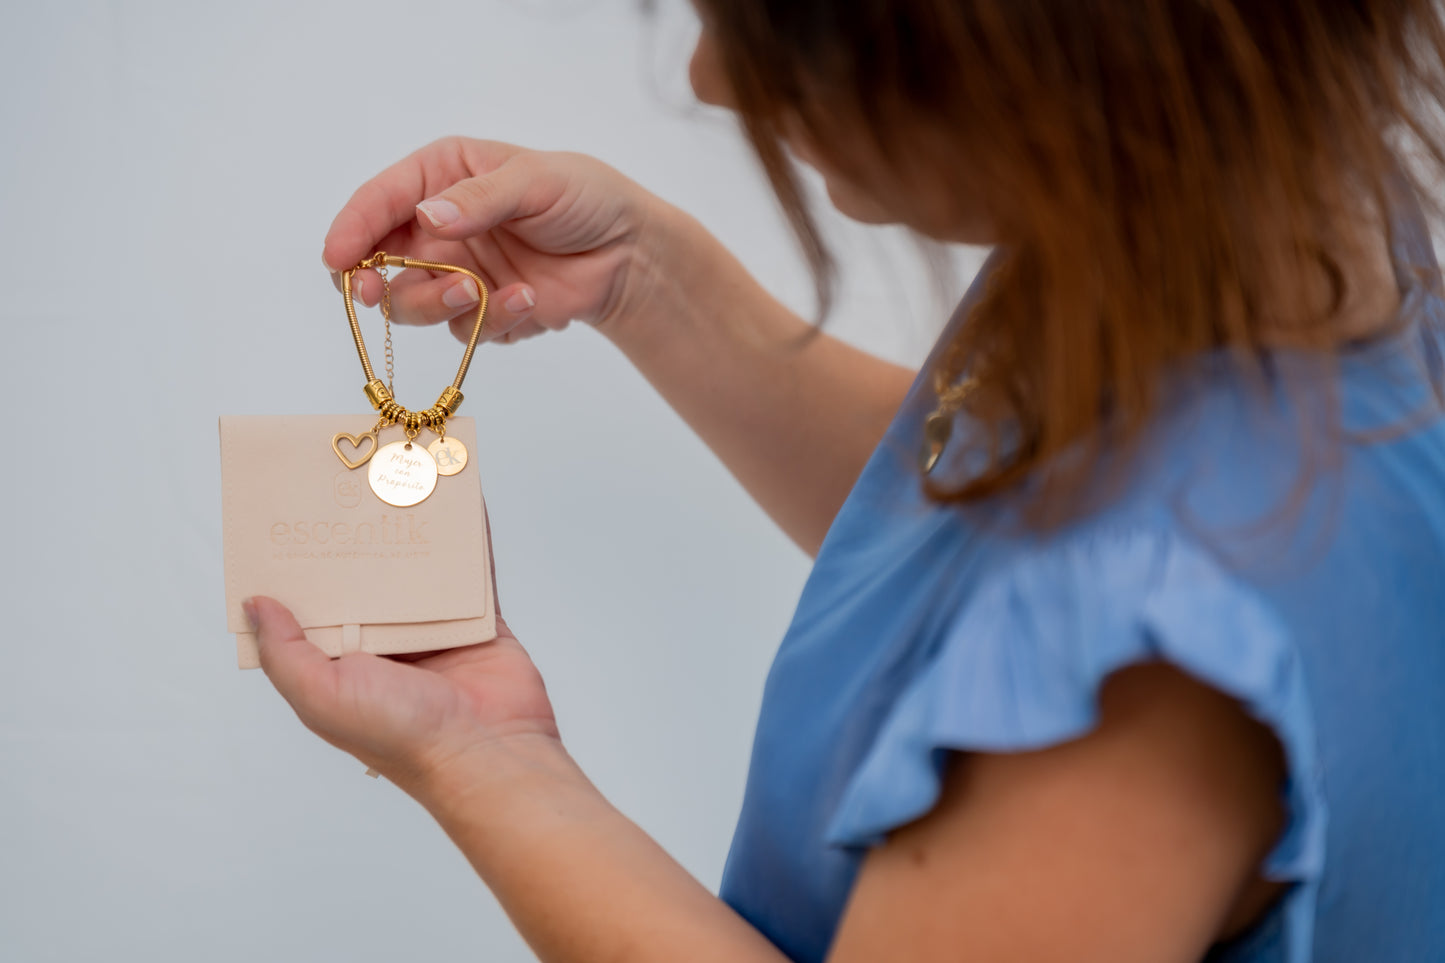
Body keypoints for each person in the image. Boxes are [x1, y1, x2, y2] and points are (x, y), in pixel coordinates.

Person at [244, 2, 1445, 960]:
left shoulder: (1139, 689)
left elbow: (1094, 579)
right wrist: (641, 276)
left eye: (767, 26)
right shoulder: (1291, 227)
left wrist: (482, 760)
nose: (713, 80)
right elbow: (979, 517)